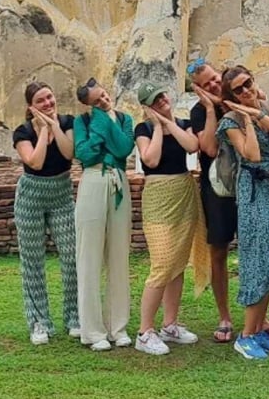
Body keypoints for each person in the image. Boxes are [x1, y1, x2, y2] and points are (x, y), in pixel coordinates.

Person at [217, 65, 269, 360]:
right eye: (238, 89)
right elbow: (251, 154)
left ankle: (259, 330)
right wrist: (248, 120)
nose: (246, 90)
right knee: (258, 257)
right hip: (254, 192)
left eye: (248, 83)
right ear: (230, 96)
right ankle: (246, 335)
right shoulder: (229, 122)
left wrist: (257, 113)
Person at [132, 81, 205, 356]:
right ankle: (145, 330)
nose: (162, 101)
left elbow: (192, 146)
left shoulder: (183, 123)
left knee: (177, 263)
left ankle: (170, 324)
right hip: (158, 196)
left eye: (162, 96)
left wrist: (169, 122)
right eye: (155, 100)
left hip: (183, 193)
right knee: (162, 263)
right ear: (147, 107)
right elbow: (150, 159)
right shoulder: (143, 129)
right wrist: (158, 127)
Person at [11, 81, 79, 345]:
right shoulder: (23, 132)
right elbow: (35, 162)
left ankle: (74, 317)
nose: (48, 103)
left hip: (61, 194)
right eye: (41, 101)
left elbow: (69, 153)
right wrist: (41, 132)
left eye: (50, 97)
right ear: (31, 107)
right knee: (33, 261)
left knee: (72, 257)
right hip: (31, 196)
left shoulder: (68, 122)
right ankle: (39, 322)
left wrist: (54, 126)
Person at [72, 78, 136, 352]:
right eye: (97, 101)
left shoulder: (124, 119)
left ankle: (117, 326)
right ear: (89, 105)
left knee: (118, 254)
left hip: (118, 180)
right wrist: (99, 124)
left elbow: (123, 149)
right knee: (89, 255)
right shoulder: (83, 122)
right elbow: (84, 153)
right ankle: (92, 329)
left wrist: (107, 121)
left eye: (105, 95)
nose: (104, 101)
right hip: (93, 179)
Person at [188, 58, 238, 342]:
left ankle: (259, 316)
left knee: (253, 250)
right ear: (199, 89)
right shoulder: (199, 112)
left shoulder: (240, 98)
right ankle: (225, 316)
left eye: (216, 79)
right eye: (207, 85)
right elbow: (208, 147)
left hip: (248, 183)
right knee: (218, 251)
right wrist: (210, 109)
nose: (215, 86)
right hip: (217, 187)